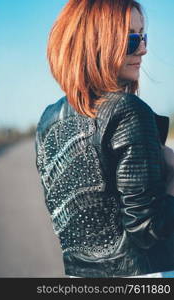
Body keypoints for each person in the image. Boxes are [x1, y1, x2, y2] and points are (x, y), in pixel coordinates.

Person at [35, 0, 174, 278]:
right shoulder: (128, 111)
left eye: (142, 35)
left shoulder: (47, 120)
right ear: (97, 42)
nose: (143, 49)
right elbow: (147, 228)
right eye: (130, 39)